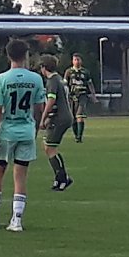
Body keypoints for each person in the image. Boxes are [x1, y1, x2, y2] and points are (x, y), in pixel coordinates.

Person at [0, 39, 46, 232]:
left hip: (7, 131)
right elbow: (39, 108)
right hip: (26, 130)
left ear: (8, 55)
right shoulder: (36, 79)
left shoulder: (1, 79)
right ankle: (17, 220)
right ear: (26, 55)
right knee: (20, 176)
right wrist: (34, 129)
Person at [38, 54, 74, 191]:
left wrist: (44, 118)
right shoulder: (60, 79)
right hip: (64, 116)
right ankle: (60, 178)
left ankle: (63, 178)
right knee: (49, 147)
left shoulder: (52, 81)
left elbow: (51, 101)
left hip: (60, 118)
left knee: (49, 148)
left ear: (43, 67)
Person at [63, 53, 98, 143]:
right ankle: (76, 136)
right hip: (72, 96)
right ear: (72, 61)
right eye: (75, 60)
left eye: (78, 59)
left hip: (82, 96)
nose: (77, 61)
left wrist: (93, 95)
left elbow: (90, 84)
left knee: (80, 115)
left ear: (81, 61)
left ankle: (79, 137)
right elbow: (64, 85)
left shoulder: (85, 72)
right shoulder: (68, 72)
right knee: (73, 118)